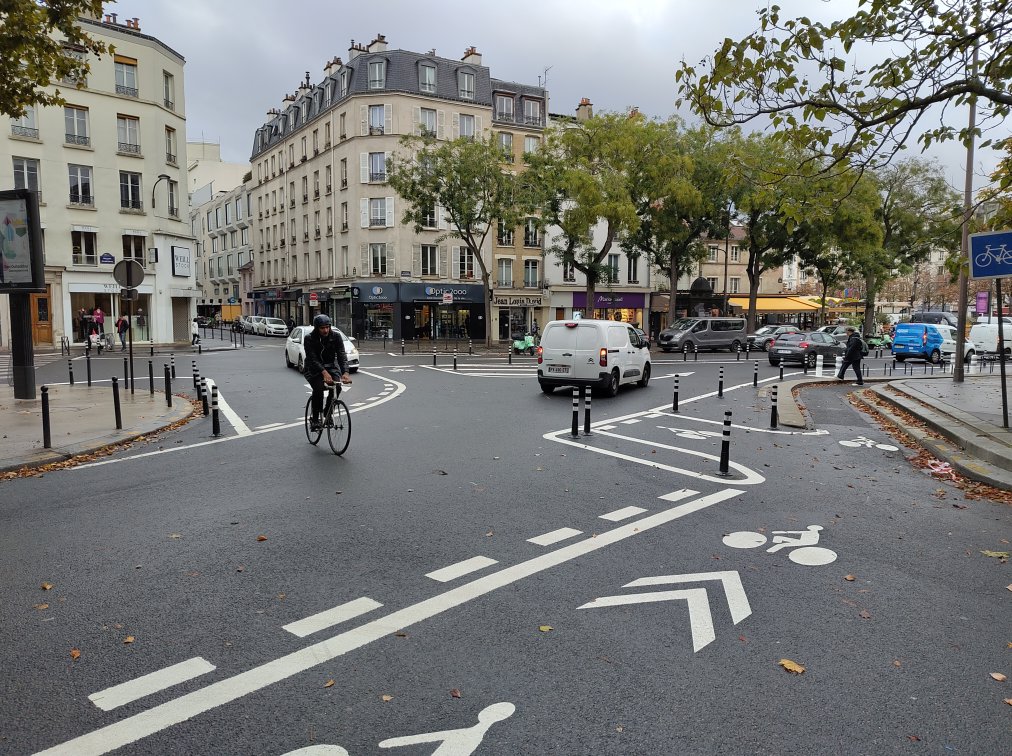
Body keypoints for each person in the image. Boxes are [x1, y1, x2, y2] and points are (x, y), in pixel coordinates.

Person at [303, 314, 352, 431]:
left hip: (331, 366)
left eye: (327, 327)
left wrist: (345, 372)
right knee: (318, 389)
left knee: (338, 387)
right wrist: (324, 372)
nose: (325, 330)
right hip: (313, 368)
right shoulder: (309, 338)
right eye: (322, 328)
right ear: (316, 328)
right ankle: (315, 419)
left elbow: (341, 355)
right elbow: (312, 358)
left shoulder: (336, 336)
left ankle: (328, 412)